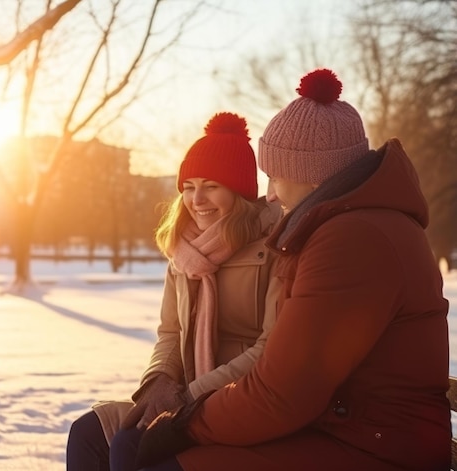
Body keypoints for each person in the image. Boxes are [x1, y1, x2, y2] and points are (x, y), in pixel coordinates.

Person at [134, 68, 451, 471]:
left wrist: (185, 422)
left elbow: (282, 391)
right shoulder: (345, 228)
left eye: (277, 175)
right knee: (116, 443)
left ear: (312, 175)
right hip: (339, 426)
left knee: (159, 462)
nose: (269, 192)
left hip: (371, 446)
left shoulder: (352, 238)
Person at [66, 112, 282, 471]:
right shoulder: (183, 254)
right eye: (188, 187)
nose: (197, 200)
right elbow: (170, 333)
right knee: (89, 432)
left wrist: (189, 397)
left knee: (132, 445)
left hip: (236, 401)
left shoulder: (272, 249)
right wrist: (159, 381)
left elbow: (269, 349)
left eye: (211, 185)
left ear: (239, 191)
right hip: (186, 394)